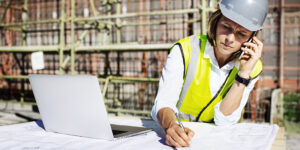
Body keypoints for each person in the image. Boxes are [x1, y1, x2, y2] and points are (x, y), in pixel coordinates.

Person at [151, 0, 269, 148]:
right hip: (174, 136)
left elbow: (224, 121)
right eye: (226, 27)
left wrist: (243, 74)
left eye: (241, 34)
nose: (230, 39)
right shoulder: (185, 50)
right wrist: (170, 126)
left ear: (252, 38)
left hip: (214, 142)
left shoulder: (253, 67)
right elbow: (163, 103)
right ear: (216, 20)